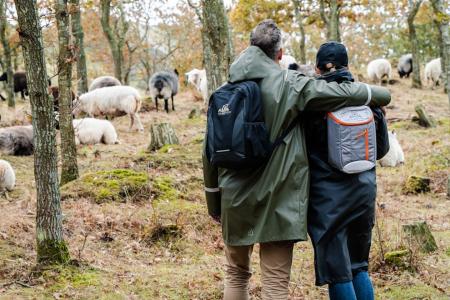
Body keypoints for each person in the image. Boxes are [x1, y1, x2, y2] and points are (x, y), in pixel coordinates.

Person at [202, 20, 391, 300]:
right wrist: (378, 94)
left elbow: (208, 153)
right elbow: (345, 93)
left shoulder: (222, 92)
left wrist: (214, 202)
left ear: (251, 47)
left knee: (236, 275)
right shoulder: (292, 86)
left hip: (234, 199)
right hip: (278, 202)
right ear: (279, 54)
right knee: (275, 282)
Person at [305, 42, 383, 300]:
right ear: (347, 66)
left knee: (338, 271)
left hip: (329, 202)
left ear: (317, 69)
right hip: (364, 193)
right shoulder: (368, 98)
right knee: (358, 265)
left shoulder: (315, 103)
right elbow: (380, 149)